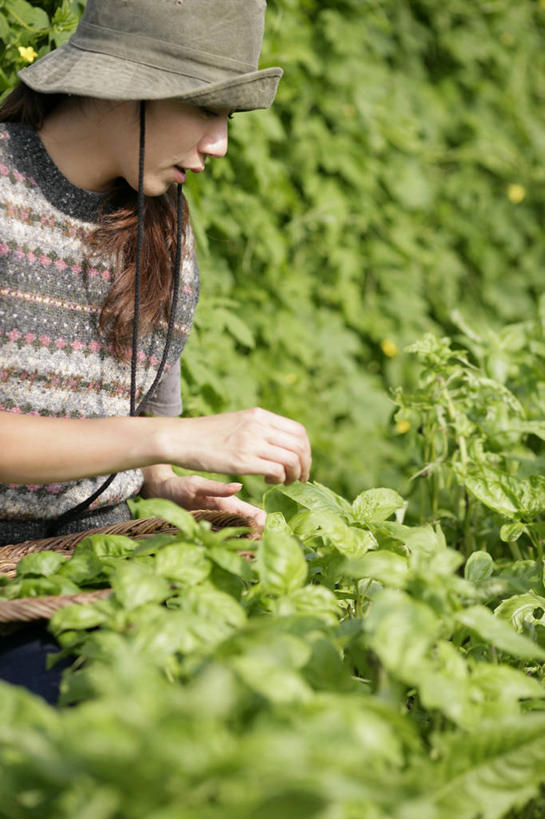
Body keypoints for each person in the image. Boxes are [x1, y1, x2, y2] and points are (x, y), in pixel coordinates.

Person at [0, 0, 311, 700]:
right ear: (124, 86)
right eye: (206, 108)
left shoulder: (161, 222)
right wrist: (172, 438)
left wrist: (162, 482)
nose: (220, 143)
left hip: (99, 574)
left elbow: (145, 412)